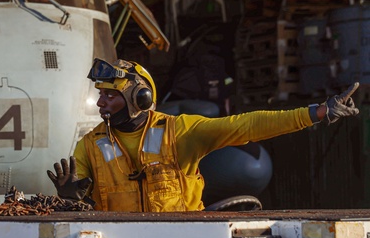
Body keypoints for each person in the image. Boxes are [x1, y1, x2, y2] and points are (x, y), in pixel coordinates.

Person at [47, 57, 360, 212]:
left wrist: (318, 112)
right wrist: (73, 199)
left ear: (138, 99)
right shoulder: (90, 145)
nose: (100, 102)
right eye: (100, 95)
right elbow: (79, 202)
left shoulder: (179, 132)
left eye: (109, 95)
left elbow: (248, 125)